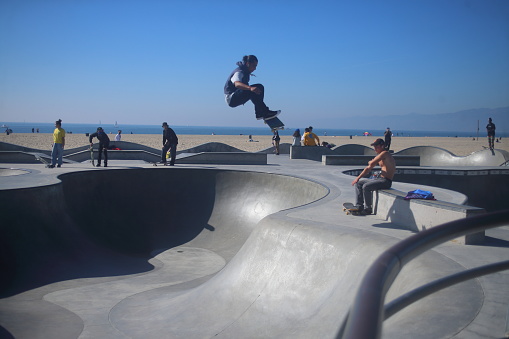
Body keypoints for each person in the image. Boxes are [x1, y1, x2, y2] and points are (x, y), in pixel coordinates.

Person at [224, 55, 280, 121]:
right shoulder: (239, 72)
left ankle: (260, 113)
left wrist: (251, 89)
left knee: (257, 89)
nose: (255, 68)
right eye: (254, 66)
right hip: (231, 98)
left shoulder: (245, 72)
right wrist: (250, 88)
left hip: (236, 96)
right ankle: (263, 112)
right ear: (248, 64)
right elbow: (237, 84)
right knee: (255, 88)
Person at [351, 138, 396, 215]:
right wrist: (358, 179)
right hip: (379, 179)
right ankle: (359, 206)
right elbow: (370, 165)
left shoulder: (385, 153)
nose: (375, 148)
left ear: (382, 146)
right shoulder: (380, 155)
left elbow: (370, 165)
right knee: (359, 184)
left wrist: (358, 177)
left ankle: (368, 208)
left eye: (377, 146)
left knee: (366, 186)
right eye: (374, 146)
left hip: (386, 181)